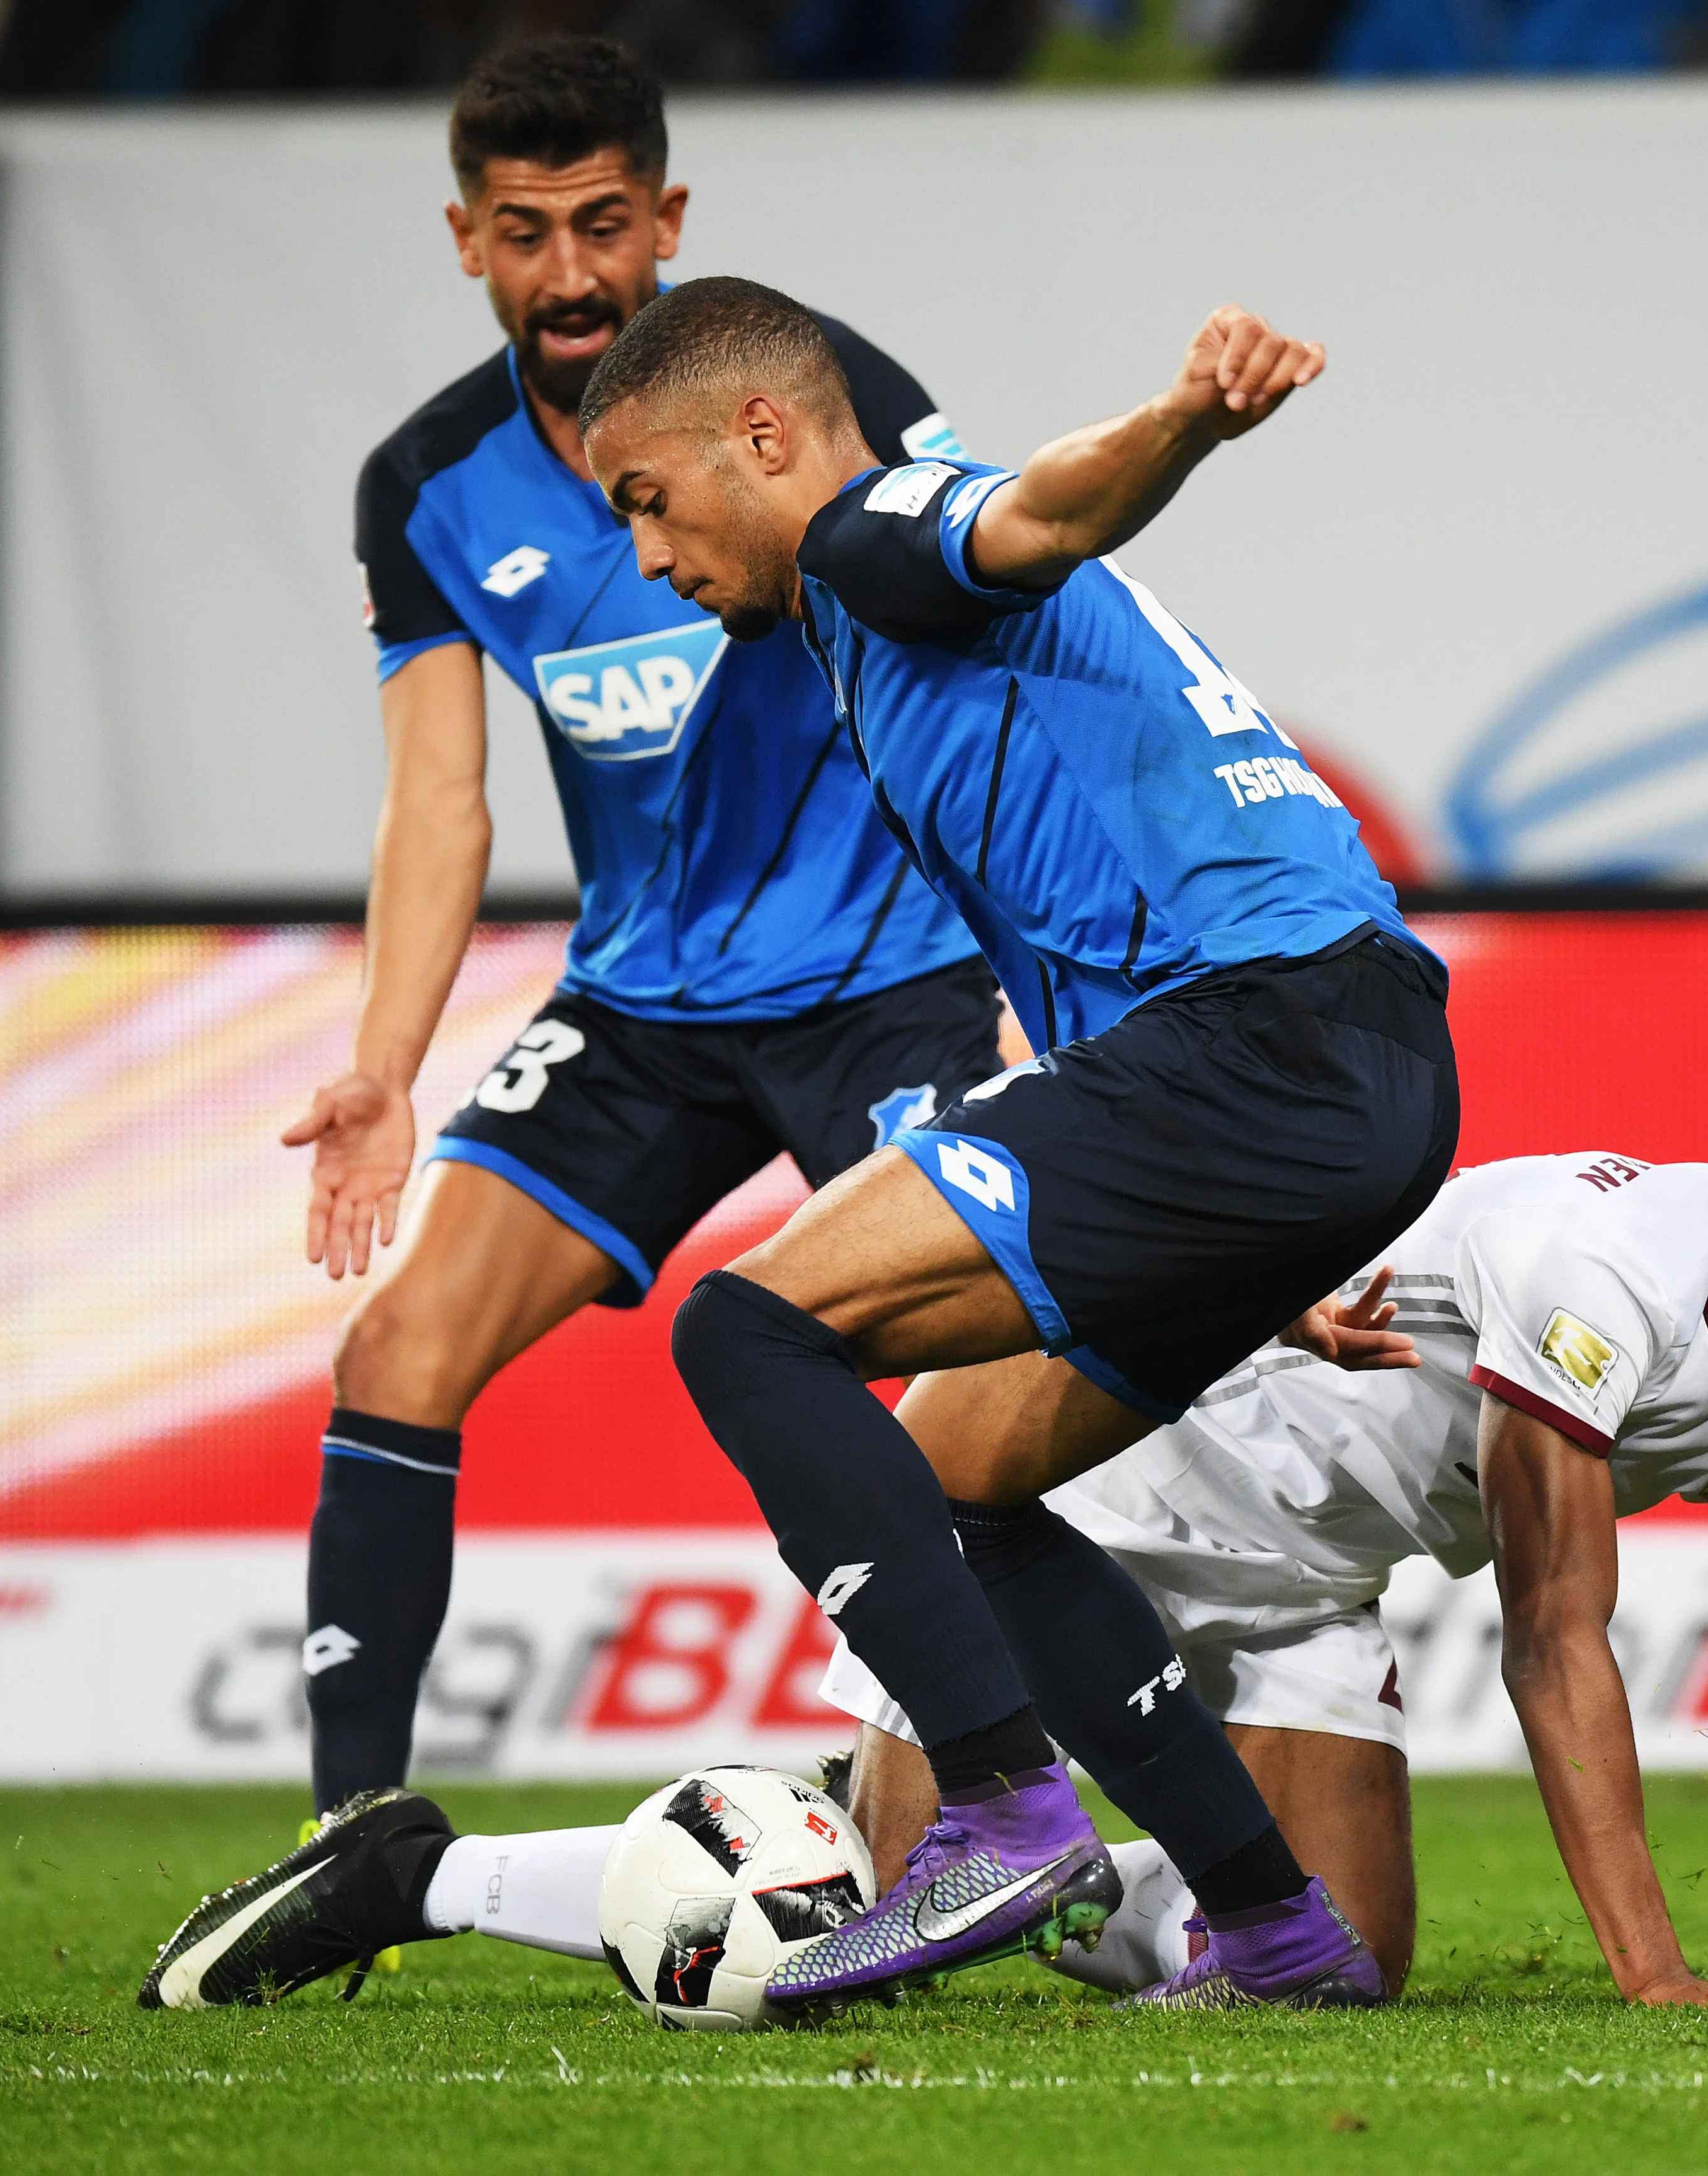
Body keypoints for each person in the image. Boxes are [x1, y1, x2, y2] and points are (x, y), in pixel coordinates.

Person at [144, 278, 1459, 2017]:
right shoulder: (877, 640)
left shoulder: (864, 534)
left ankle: (1000, 1805)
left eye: (648, 501)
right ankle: (1279, 1934)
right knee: (966, 1468)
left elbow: (1038, 511)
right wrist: (1248, 1250)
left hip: (1260, 1038)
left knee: (746, 1323)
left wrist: (1185, 424)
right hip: (1335, 1073)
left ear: (761, 441)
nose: (647, 556)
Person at [137, 1001, 1708, 2015]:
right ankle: (426, 1876)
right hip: (1104, 1473)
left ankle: (1115, 1905)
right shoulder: (1609, 1271)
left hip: (1313, 1582)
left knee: (1346, 1966)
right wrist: (1654, 1970)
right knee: (850, 1929)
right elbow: (1555, 1630)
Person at [286, 38, 1011, 1853]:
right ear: (467, 239)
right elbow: (440, 802)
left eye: (603, 224)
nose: (572, 274)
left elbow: (962, 658)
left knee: (986, 1379)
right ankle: (351, 1837)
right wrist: (385, 1063)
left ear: (666, 217)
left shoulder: (814, 391)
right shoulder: (430, 487)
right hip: (646, 1006)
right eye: (525, 233)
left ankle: (980, 1801)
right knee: (399, 1353)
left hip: (887, 982)